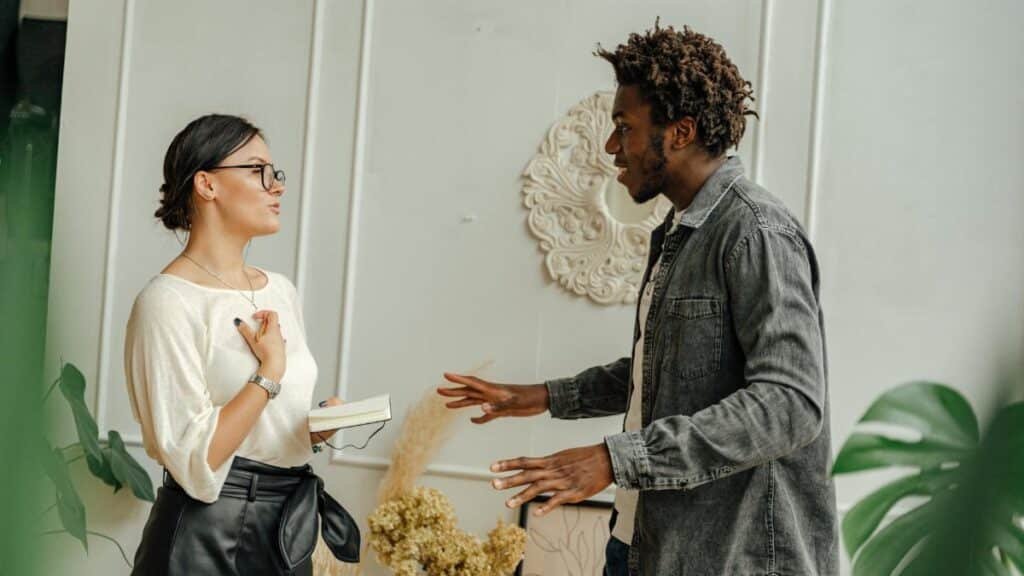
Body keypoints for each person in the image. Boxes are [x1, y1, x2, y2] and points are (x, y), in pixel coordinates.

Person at [439, 23, 837, 575]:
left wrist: (614, 458)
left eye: (624, 128)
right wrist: (545, 396)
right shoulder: (679, 232)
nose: (611, 147)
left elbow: (790, 404)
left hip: (728, 558)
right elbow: (673, 371)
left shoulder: (755, 232)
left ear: (680, 132)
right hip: (642, 542)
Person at [125, 114, 359, 575]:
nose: (277, 186)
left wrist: (311, 430)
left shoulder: (280, 290)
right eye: (258, 171)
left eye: (275, 172)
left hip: (285, 530)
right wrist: (268, 373)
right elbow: (195, 461)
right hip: (204, 536)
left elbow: (258, 433)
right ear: (207, 184)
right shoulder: (167, 302)